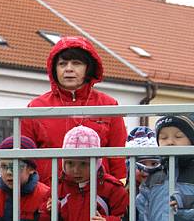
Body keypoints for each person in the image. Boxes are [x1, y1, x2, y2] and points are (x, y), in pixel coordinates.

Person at [21, 36, 127, 186]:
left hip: (99, 194)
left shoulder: (108, 105)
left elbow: (118, 156)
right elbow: (24, 156)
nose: (68, 68)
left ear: (88, 68)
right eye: (62, 63)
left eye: (76, 63)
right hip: (49, 195)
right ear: (54, 69)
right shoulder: (37, 107)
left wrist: (119, 190)